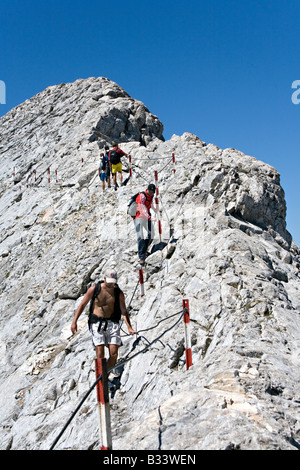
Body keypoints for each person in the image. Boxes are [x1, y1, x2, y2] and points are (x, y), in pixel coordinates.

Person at [71, 269, 137, 371]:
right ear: (104, 278)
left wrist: (129, 327)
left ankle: (105, 376)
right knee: (100, 353)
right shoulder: (94, 289)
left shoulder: (118, 293)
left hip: (112, 323)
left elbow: (124, 311)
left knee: (114, 354)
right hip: (97, 323)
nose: (111, 284)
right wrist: (74, 321)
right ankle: (102, 380)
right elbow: (82, 305)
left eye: (113, 282)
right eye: (109, 281)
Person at [133, 184, 157, 265]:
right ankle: (141, 257)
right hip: (138, 217)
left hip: (147, 216)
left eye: (153, 192)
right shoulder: (142, 196)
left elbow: (150, 204)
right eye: (150, 192)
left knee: (151, 234)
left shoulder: (151, 195)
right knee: (141, 237)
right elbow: (142, 210)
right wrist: (150, 218)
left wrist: (155, 209)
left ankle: (145, 249)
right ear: (147, 190)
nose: (152, 194)